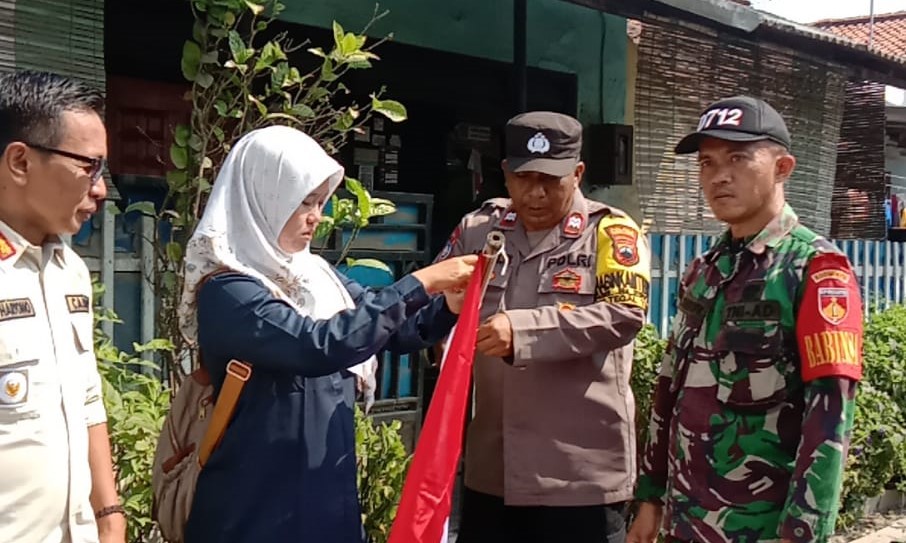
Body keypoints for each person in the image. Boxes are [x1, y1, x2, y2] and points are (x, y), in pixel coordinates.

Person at [177, 125, 477, 543]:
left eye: (320, 202)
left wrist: (447, 305)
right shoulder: (228, 290)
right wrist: (421, 281)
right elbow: (318, 344)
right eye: (304, 203)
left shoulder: (315, 276)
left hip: (323, 491)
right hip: (256, 503)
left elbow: (398, 330)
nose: (316, 216)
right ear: (262, 198)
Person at [628, 96, 863, 543]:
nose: (719, 176)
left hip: (759, 528)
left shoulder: (814, 270)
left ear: (783, 167)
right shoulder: (705, 270)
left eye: (738, 158)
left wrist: (803, 533)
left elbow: (829, 418)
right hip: (685, 521)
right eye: (707, 162)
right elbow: (668, 389)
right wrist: (651, 497)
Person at [437, 111, 652, 543]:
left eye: (551, 180)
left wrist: (525, 331)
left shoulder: (610, 232)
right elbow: (438, 304)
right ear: (505, 173)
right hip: (493, 470)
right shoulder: (480, 230)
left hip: (578, 478)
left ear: (577, 174)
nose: (535, 193)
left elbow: (625, 313)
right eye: (523, 178)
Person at [0, 71, 125, 543]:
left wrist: (109, 514)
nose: (101, 189)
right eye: (89, 167)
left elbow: (86, 395)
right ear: (20, 161)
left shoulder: (68, 269)